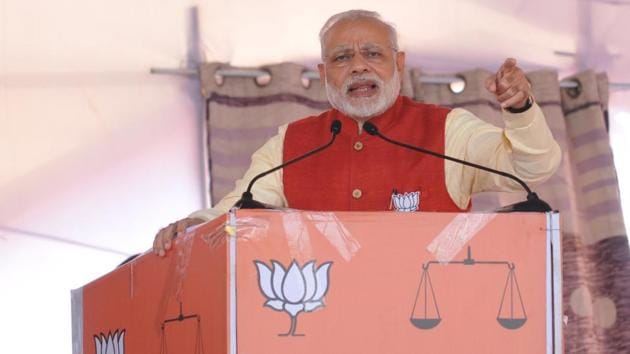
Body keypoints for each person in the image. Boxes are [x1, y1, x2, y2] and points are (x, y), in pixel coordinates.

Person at [153, 9, 561, 256]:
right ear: (323, 73)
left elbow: (532, 166)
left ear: (398, 63)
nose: (359, 67)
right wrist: (190, 225)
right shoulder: (290, 144)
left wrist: (520, 109)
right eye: (342, 57)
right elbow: (236, 210)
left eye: (373, 54)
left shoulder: (448, 130)